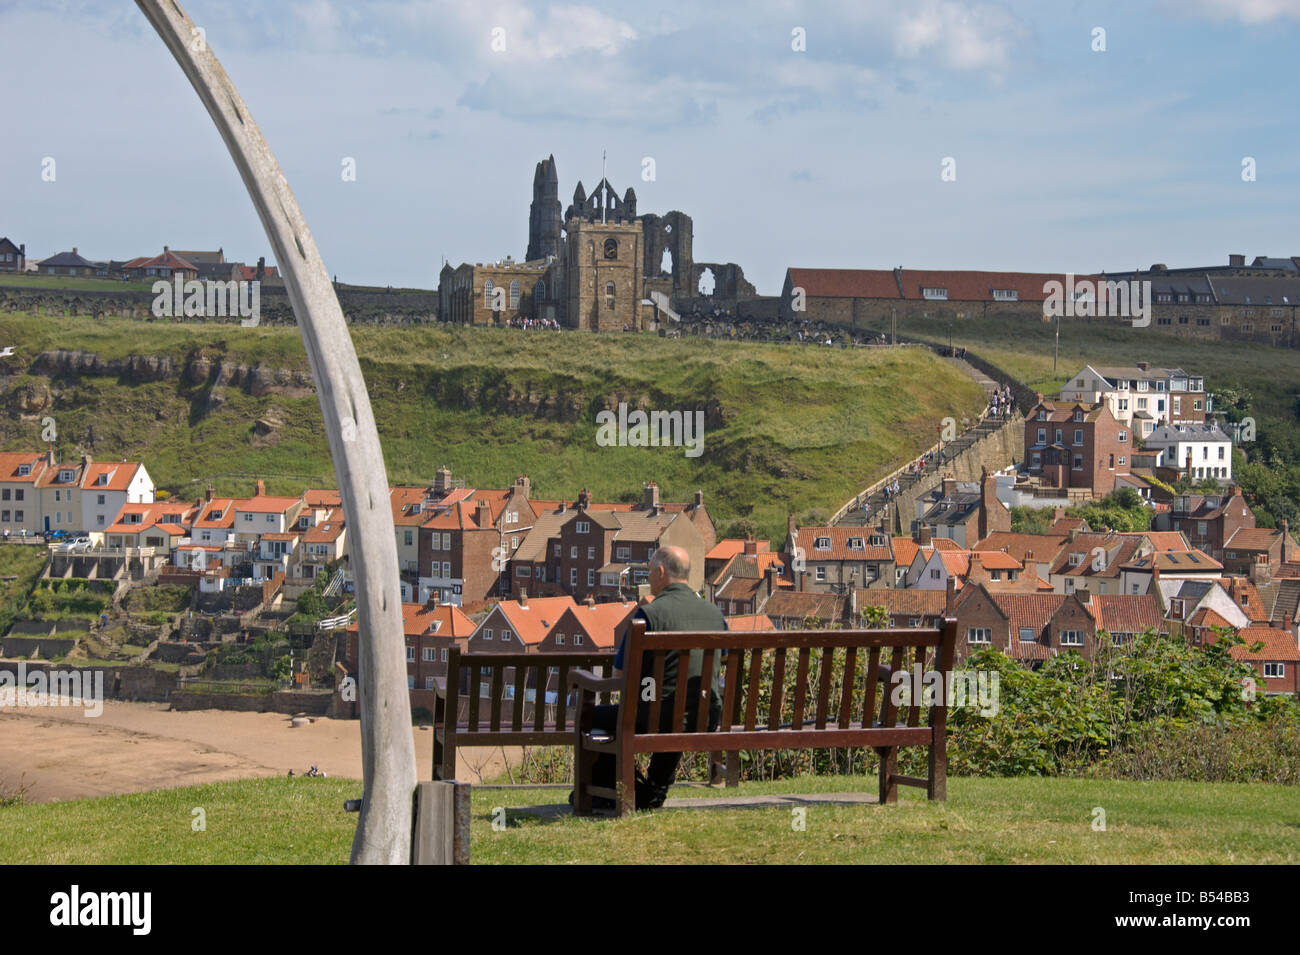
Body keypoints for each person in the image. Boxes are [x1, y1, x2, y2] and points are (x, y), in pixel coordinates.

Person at [584, 546, 725, 811]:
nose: (649, 578)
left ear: (661, 572)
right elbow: (722, 659)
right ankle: (653, 790)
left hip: (655, 716)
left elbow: (620, 676)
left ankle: (609, 788)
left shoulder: (648, 616)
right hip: (704, 716)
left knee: (592, 715)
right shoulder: (715, 615)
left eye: (650, 572)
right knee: (673, 713)